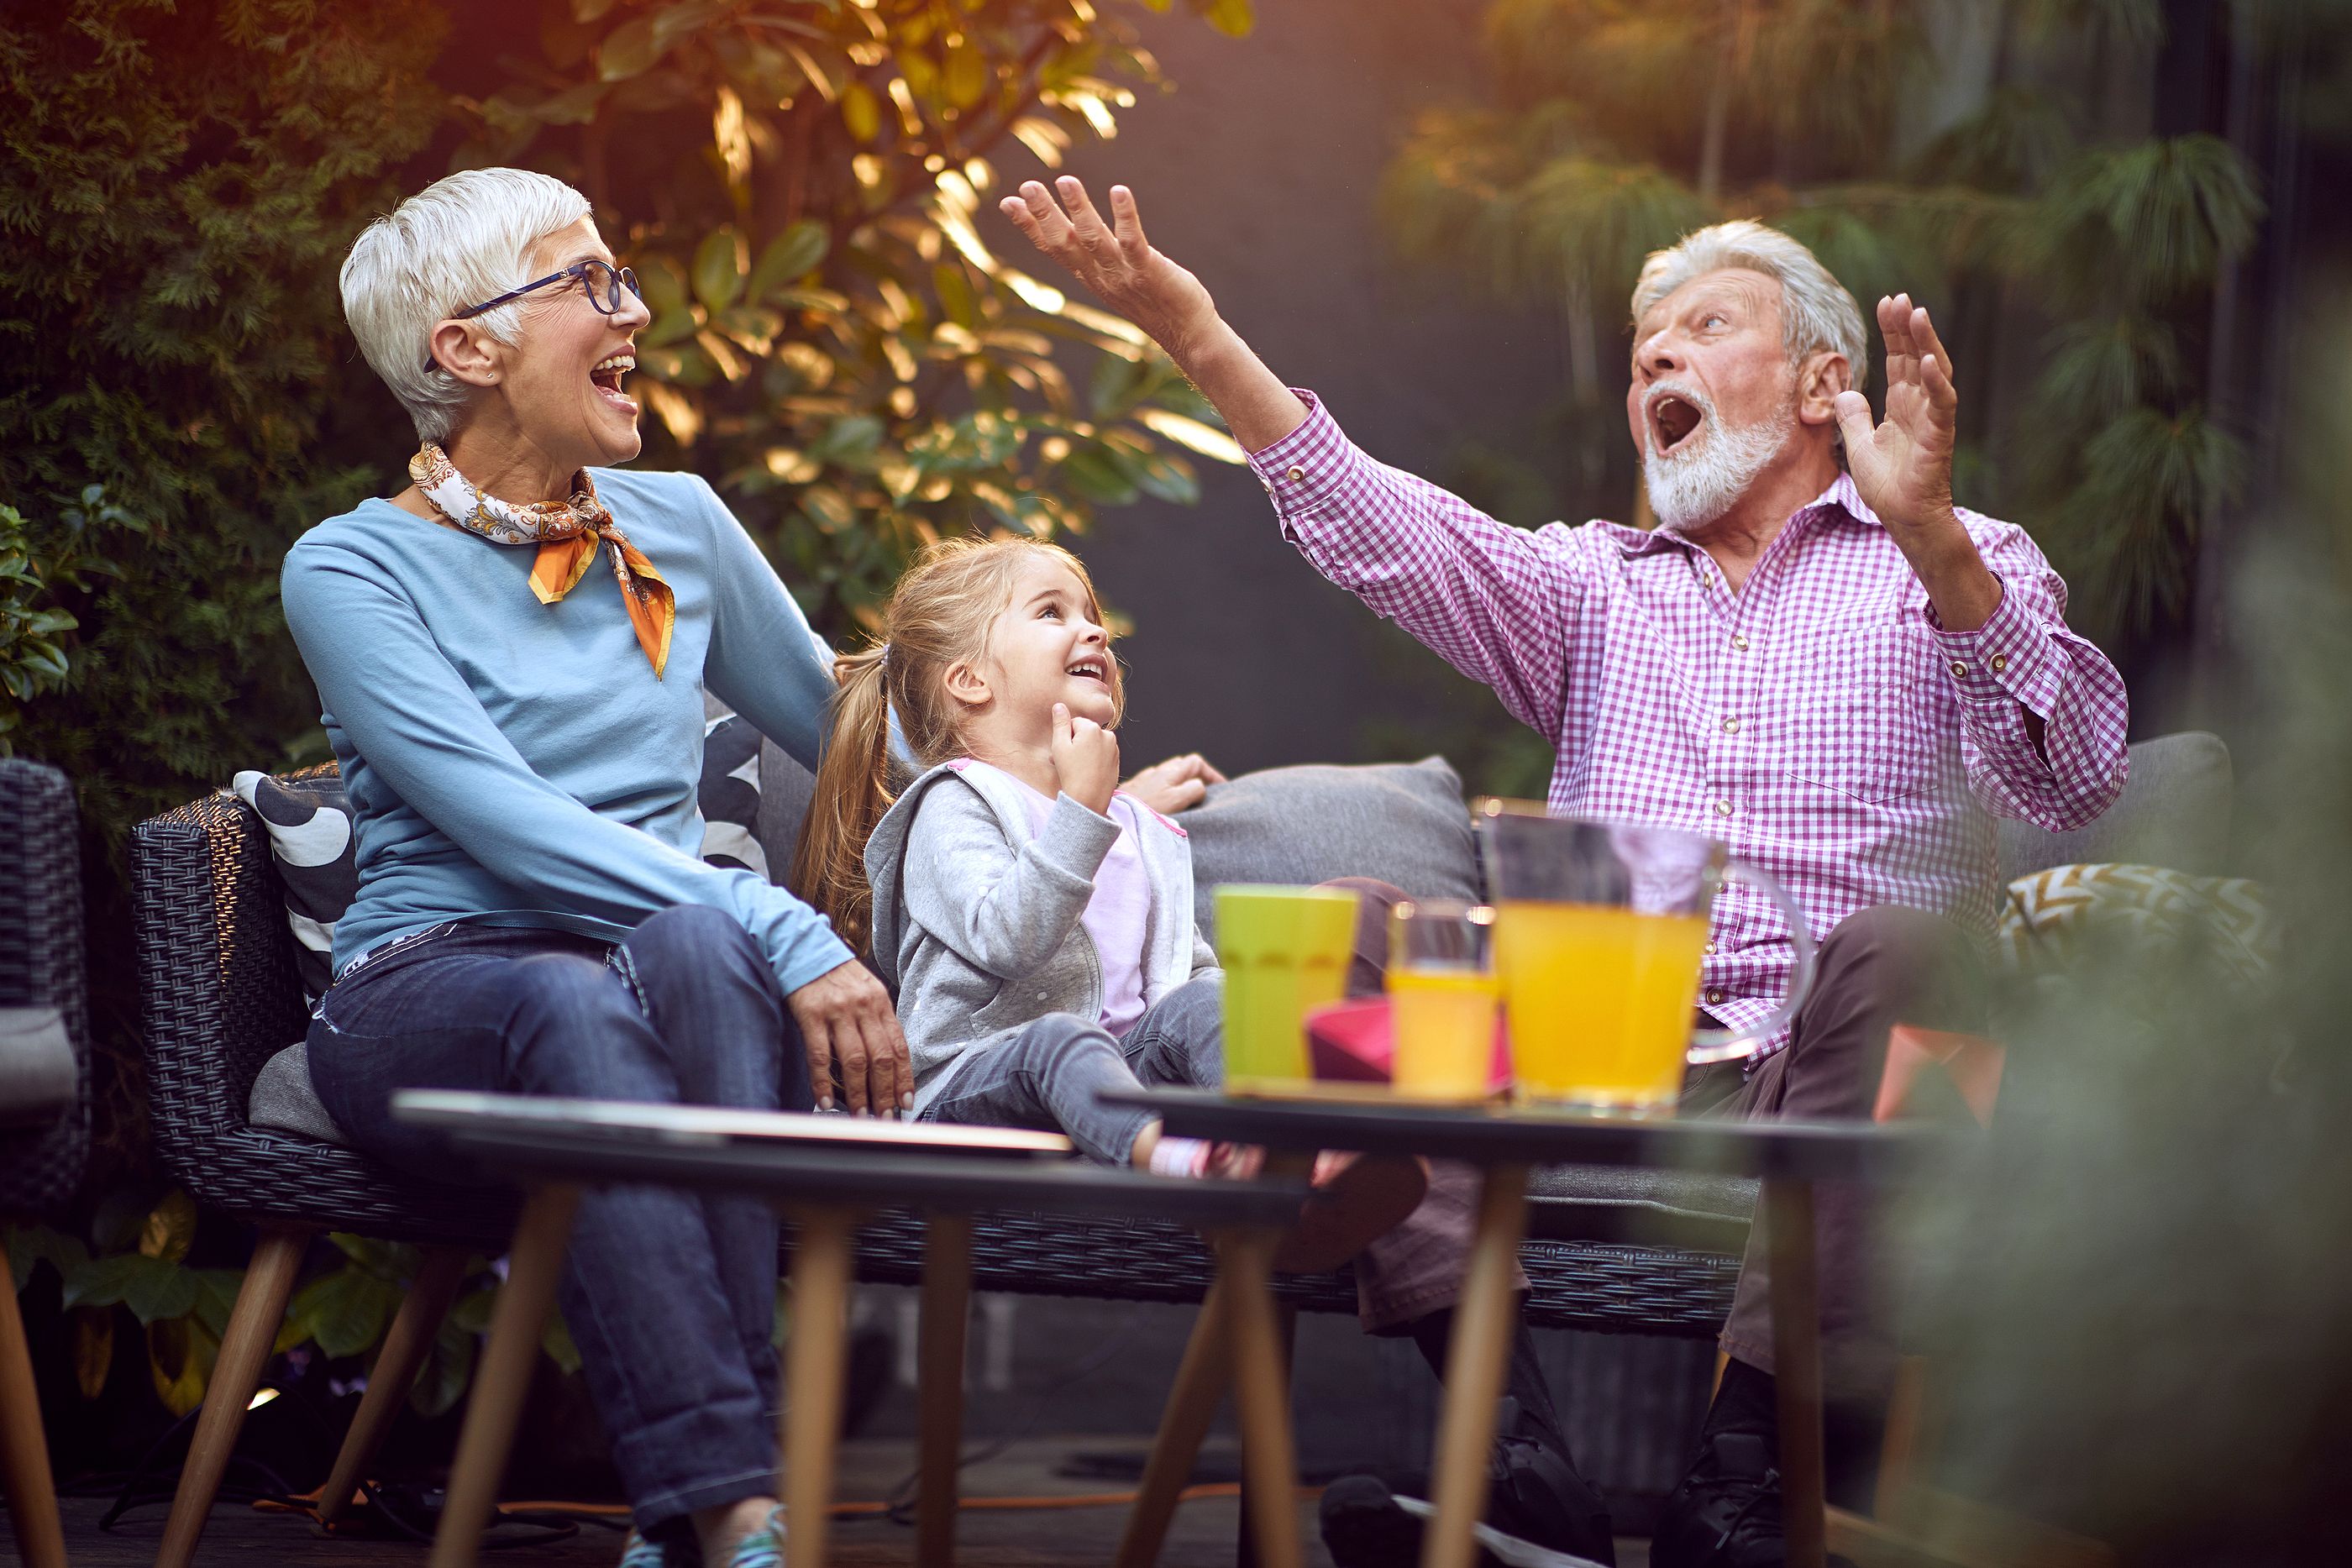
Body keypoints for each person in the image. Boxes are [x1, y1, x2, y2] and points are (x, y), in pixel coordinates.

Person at [999, 177, 2131, 1567]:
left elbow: (2071, 778)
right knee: (1336, 936)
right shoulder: (1596, 586)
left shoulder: (1951, 566)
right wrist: (1194, 330)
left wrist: (1938, 535)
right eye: (1645, 339)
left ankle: (1748, 1474)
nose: (1653, 355)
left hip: (1837, 1067)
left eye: (1704, 326)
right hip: (1584, 1040)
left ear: (1822, 380)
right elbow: (1380, 526)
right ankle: (1515, 1448)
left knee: (1916, 953)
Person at [285, 166, 912, 1568]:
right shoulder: (349, 568)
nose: (631, 311)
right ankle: (736, 1511)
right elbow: (500, 823)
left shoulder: (677, 526)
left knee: (692, 952)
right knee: (599, 987)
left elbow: (859, 742)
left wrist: (1069, 784)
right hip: (428, 988)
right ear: (467, 348)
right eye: (589, 283)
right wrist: (777, 921)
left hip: (649, 978)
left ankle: (686, 1513)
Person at [793, 532, 1615, 1562]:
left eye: (1091, 611)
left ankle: (1285, 1146)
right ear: (966, 681)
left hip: (1109, 1071)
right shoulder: (952, 805)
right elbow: (1005, 935)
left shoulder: (1143, 834)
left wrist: (1195, 964)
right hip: (976, 1077)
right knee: (1060, 1036)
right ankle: (1205, 1168)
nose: (1091, 626)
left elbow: (1173, 982)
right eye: (1050, 612)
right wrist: (1088, 811)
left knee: (1209, 998)